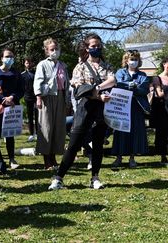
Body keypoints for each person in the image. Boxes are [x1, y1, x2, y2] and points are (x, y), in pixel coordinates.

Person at [48, 33, 116, 190]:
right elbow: (79, 89)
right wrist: (98, 91)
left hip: (102, 110)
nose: (96, 48)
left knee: (98, 144)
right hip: (84, 109)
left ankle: (95, 177)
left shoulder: (108, 66)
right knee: (74, 143)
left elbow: (113, 80)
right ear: (86, 47)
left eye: (98, 45)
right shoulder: (80, 67)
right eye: (93, 46)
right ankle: (59, 177)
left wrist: (94, 90)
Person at [34, 38, 69, 170]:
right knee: (46, 127)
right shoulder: (42, 64)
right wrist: (38, 97)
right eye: (52, 49)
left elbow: (67, 83)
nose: (55, 51)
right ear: (47, 51)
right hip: (47, 97)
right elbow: (38, 82)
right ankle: (46, 159)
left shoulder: (63, 65)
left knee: (58, 128)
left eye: (56, 49)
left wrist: (67, 101)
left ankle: (54, 157)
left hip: (60, 96)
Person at [111, 50, 150, 169]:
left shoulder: (142, 75)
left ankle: (132, 157)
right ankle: (118, 157)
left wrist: (132, 87)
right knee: (120, 131)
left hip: (137, 107)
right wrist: (130, 85)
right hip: (122, 106)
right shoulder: (120, 72)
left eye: (136, 59)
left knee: (135, 131)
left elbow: (144, 88)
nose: (134, 61)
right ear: (126, 60)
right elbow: (118, 84)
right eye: (131, 59)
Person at [0, 47, 23, 174]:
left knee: (10, 134)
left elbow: (20, 89)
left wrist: (13, 97)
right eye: (7, 56)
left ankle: (12, 159)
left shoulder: (17, 73)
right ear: (2, 58)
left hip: (12, 107)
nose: (10, 59)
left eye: (12, 56)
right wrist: (2, 99)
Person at [22, 57, 38, 142]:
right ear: (24, 64)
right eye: (27, 63)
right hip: (28, 97)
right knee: (30, 116)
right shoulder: (22, 75)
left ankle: (38, 133)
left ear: (32, 63)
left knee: (37, 115)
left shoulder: (36, 73)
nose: (28, 64)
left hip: (36, 97)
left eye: (29, 62)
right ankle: (31, 134)